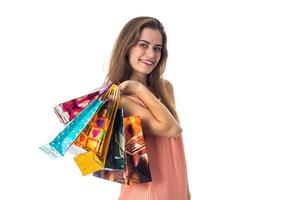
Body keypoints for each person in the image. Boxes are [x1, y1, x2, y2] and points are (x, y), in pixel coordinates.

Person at [104, 16, 191, 200]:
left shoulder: (165, 88)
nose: (151, 54)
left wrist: (187, 192)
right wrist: (138, 88)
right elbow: (170, 128)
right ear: (127, 47)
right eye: (143, 45)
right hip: (146, 193)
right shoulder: (121, 98)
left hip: (176, 190)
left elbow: (176, 142)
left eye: (157, 48)